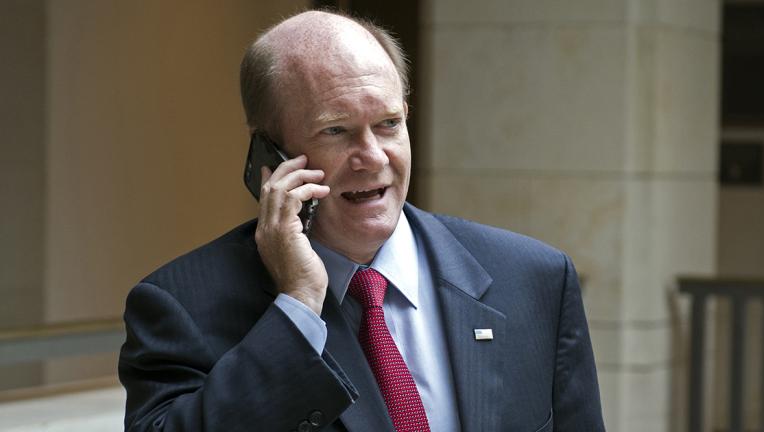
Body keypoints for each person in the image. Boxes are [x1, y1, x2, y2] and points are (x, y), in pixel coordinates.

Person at [119, 10, 605, 432]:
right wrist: (298, 309)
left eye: (389, 124)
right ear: (270, 155)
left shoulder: (534, 279)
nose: (372, 158)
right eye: (337, 131)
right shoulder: (179, 305)